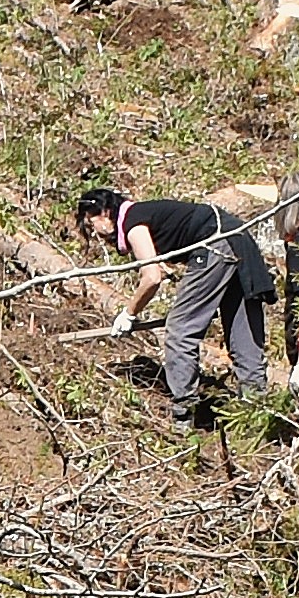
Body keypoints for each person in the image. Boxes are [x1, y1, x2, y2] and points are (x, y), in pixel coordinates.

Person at [75, 179, 273, 424]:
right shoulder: (145, 215)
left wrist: (128, 314)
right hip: (237, 239)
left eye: (91, 224)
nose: (95, 233)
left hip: (216, 244)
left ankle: (184, 413)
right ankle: (258, 411)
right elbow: (158, 265)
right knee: (243, 333)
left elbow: (151, 277)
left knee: (180, 330)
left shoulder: (133, 222)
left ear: (104, 213)